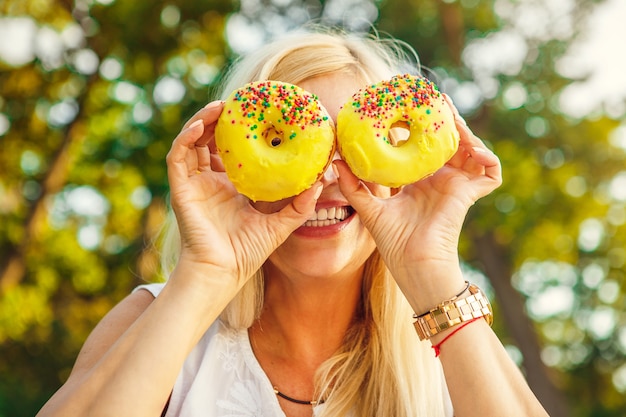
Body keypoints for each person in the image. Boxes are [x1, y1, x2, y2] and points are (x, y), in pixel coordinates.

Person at [37, 27, 549, 417]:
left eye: (350, 149)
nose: (324, 178)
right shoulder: (153, 322)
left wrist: (430, 266)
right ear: (233, 167)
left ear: (403, 175)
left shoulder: (452, 358)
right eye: (294, 147)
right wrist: (207, 274)